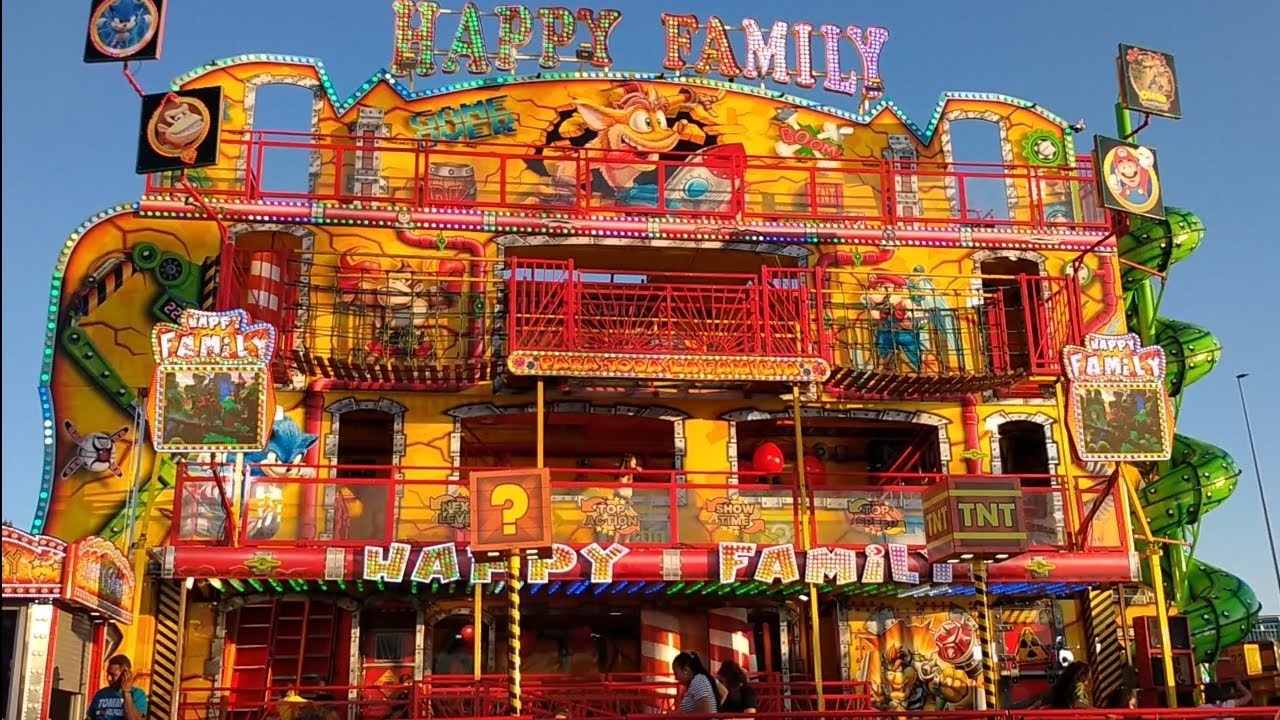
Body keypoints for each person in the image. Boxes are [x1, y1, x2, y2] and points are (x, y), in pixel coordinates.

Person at [86, 655, 148, 720]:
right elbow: (90, 717)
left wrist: (126, 692)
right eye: (108, 674)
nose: (109, 678)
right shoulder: (101, 694)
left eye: (114, 675)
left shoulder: (137, 694)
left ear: (126, 674)